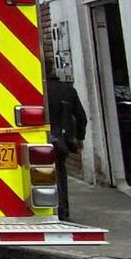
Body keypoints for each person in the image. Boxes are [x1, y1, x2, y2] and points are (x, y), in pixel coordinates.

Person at [46, 63, 88, 221]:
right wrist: (80, 138)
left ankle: (47, 208)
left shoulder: (36, 88)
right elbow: (81, 117)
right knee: (59, 173)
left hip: (42, 138)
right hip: (63, 140)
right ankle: (63, 211)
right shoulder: (68, 90)